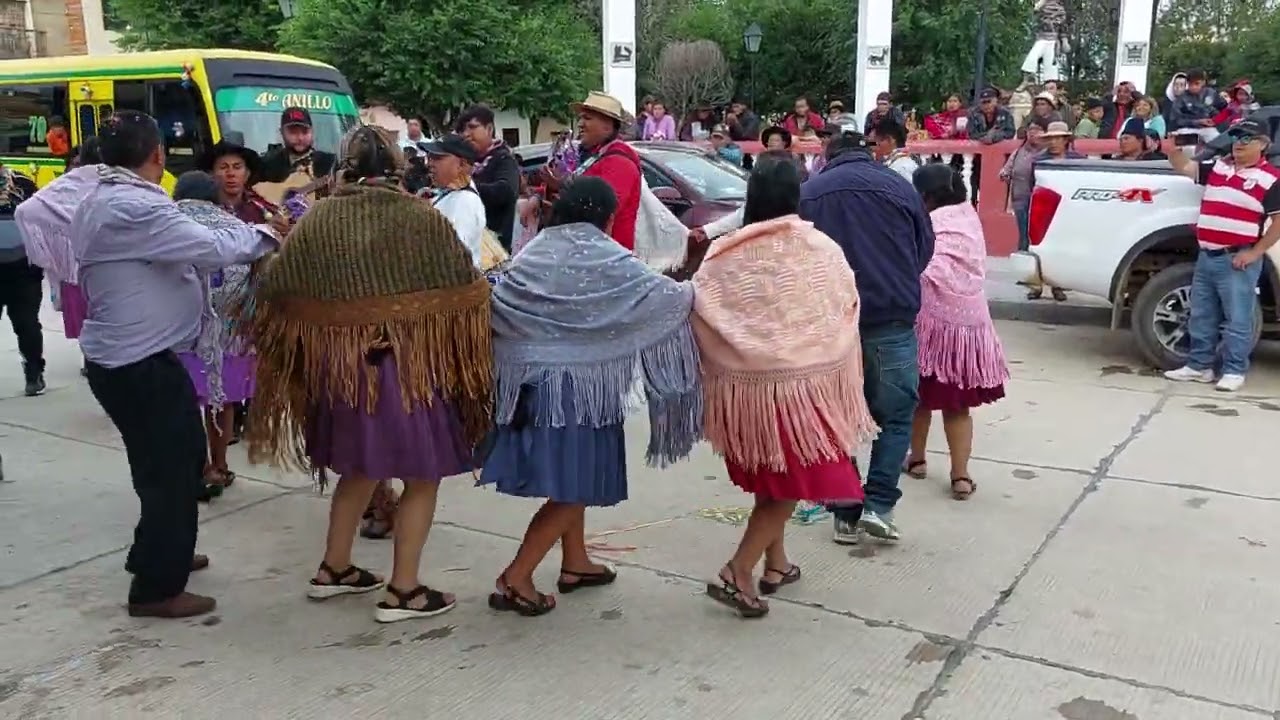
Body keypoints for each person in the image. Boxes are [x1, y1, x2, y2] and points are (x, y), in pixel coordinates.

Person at [244, 125, 491, 623]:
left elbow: (274, 289)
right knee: (422, 476)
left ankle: (334, 570)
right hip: (406, 369)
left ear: (345, 167)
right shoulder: (420, 217)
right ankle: (404, 591)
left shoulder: (319, 219)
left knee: (360, 468)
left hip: (340, 373)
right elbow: (468, 289)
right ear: (399, 168)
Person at [73, 110, 282, 618]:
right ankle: (157, 588)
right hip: (135, 362)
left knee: (175, 458)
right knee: (171, 468)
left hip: (134, 358)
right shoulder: (134, 206)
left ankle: (157, 553)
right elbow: (213, 247)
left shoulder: (106, 197)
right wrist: (270, 236)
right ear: (158, 157)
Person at [480, 176, 701, 615]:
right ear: (609, 216)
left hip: (529, 387)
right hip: (581, 393)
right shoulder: (609, 256)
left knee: (571, 477)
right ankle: (517, 575)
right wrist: (696, 276)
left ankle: (576, 563)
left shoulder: (535, 250)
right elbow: (666, 299)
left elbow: (498, 297)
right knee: (577, 484)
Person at [693, 151, 874, 618]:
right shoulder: (821, 249)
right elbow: (846, 305)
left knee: (776, 478)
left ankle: (777, 563)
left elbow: (701, 307)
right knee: (795, 480)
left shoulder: (724, 253)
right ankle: (739, 568)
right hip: (806, 388)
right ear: (798, 193)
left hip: (749, 393)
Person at [800, 131, 934, 544]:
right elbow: (924, 249)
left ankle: (844, 512)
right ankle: (878, 506)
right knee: (894, 416)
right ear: (871, 152)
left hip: (830, 323)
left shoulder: (809, 192)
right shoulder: (900, 187)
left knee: (834, 417)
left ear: (828, 155)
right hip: (890, 318)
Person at [903, 164, 1008, 500]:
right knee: (957, 407)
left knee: (917, 399)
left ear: (927, 196)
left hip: (929, 329)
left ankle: (916, 460)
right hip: (966, 331)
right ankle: (960, 477)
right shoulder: (968, 218)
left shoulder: (930, 222)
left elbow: (918, 266)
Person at [1163, 119, 1280, 393]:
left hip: (1237, 258)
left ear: (1263, 144)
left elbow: (1278, 223)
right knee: (1201, 314)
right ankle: (1199, 366)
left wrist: (1255, 252)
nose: (1239, 142)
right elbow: (1186, 168)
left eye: (1247, 138)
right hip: (1208, 254)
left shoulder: (1272, 179)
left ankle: (1234, 370)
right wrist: (1172, 151)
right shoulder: (1218, 166)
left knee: (1238, 318)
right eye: (1236, 136)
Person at [171, 170, 260, 498]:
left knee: (183, 406)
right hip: (231, 337)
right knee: (221, 404)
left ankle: (195, 469)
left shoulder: (164, 227)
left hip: (179, 337)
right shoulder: (239, 230)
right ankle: (219, 465)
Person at [540, 92, 641, 250]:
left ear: (608, 126)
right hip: (584, 253)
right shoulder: (588, 155)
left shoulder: (620, 162)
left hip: (606, 259)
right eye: (580, 118)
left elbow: (600, 211)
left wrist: (561, 189)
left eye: (587, 118)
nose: (580, 124)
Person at [0, 164, 44, 396]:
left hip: (23, 270)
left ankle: (34, 371)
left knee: (26, 324)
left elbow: (40, 220)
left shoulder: (22, 183)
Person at [456, 105, 521, 252]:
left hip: (495, 248)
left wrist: (466, 184)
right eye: (463, 130)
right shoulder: (465, 162)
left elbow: (506, 191)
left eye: (472, 127)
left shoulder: (504, 159)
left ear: (489, 129)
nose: (466, 134)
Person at [424, 133, 486, 268]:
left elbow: (455, 255)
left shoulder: (465, 201)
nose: (429, 164)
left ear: (462, 165)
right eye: (429, 157)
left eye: (437, 158)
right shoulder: (450, 195)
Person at [257, 107, 338, 193]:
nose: (300, 138)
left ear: (312, 131)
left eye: (305, 132)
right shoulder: (268, 167)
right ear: (281, 132)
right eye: (293, 132)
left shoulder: (331, 163)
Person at [1000, 120, 1045, 254]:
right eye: (1030, 130)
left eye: (1037, 130)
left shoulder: (1046, 153)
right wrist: (1005, 174)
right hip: (1020, 196)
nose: (1033, 133)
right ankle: (1023, 254)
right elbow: (1005, 171)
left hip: (1040, 200)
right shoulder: (1018, 151)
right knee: (1023, 232)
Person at [1169, 70, 1225, 143]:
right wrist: (1197, 122)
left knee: (1220, 143)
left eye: (1196, 84)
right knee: (1187, 148)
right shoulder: (1181, 98)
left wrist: (1216, 120)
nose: (1193, 87)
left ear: (1203, 82)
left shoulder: (1211, 93)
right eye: (1190, 84)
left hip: (1208, 128)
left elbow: (1224, 108)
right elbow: (1175, 120)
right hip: (1188, 128)